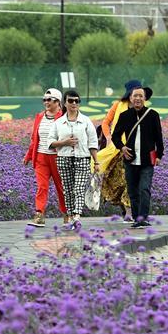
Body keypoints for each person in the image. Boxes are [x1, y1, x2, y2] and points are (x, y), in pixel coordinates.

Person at [111, 84, 164, 228]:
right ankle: (136, 218)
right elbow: (115, 136)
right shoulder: (125, 116)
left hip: (147, 160)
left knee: (144, 188)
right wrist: (121, 148)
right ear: (130, 98)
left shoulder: (152, 115)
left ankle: (143, 218)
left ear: (145, 98)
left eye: (141, 96)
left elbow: (159, 137)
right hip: (130, 159)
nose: (138, 98)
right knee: (133, 191)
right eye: (135, 96)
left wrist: (159, 155)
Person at [46, 89, 98, 230]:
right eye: (71, 101)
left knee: (79, 188)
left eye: (77, 101)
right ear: (64, 103)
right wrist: (64, 142)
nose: (74, 103)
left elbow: (93, 143)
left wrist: (96, 161)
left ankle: (76, 216)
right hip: (64, 158)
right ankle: (69, 215)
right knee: (68, 190)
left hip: (82, 158)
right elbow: (50, 143)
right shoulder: (58, 123)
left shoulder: (86, 121)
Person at [96, 81, 143, 221]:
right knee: (117, 182)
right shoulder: (118, 105)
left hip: (134, 150)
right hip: (117, 149)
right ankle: (125, 209)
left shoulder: (141, 108)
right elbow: (105, 122)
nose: (137, 97)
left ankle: (129, 211)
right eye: (135, 94)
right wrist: (109, 137)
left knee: (130, 180)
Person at [22, 87, 68, 227]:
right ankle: (39, 214)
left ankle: (67, 214)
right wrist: (29, 155)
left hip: (57, 157)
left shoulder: (63, 118)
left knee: (61, 187)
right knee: (42, 186)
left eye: (49, 100)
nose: (46, 102)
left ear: (57, 101)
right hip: (41, 157)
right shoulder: (40, 117)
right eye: (45, 100)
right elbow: (35, 139)